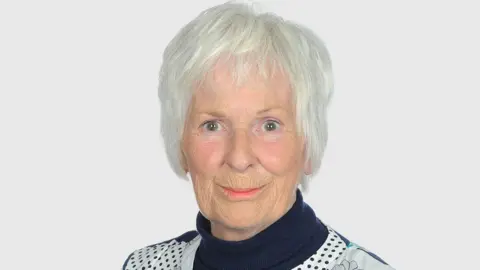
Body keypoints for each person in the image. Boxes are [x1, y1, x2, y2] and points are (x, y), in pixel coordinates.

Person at [123, 2, 395, 270]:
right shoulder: (145, 266)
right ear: (181, 145)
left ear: (307, 144)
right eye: (213, 125)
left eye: (269, 126)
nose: (239, 158)